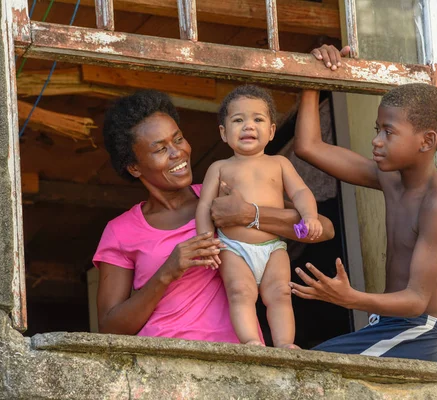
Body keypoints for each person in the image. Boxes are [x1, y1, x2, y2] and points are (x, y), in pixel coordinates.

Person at [93, 89, 334, 343]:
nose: (178, 153)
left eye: (178, 139)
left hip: (238, 357)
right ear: (133, 167)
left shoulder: (224, 193)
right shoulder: (121, 231)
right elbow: (111, 328)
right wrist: (167, 271)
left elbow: (323, 230)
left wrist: (251, 215)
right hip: (163, 362)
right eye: (160, 149)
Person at [289, 45, 437, 363]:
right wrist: (313, 78)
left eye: (388, 132)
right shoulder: (391, 180)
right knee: (301, 368)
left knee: (304, 369)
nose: (376, 140)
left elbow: (417, 300)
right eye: (377, 130)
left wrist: (350, 298)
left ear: (426, 141)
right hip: (393, 329)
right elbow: (308, 146)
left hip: (424, 335)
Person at [195, 85, 322, 349]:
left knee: (281, 293)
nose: (248, 126)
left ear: (272, 131)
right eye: (238, 120)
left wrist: (310, 217)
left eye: (258, 119)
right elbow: (205, 206)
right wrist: (206, 241)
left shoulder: (279, 163)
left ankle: (285, 343)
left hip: (273, 247)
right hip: (233, 248)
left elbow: (300, 192)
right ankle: (252, 341)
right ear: (223, 132)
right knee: (240, 293)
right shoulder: (219, 167)